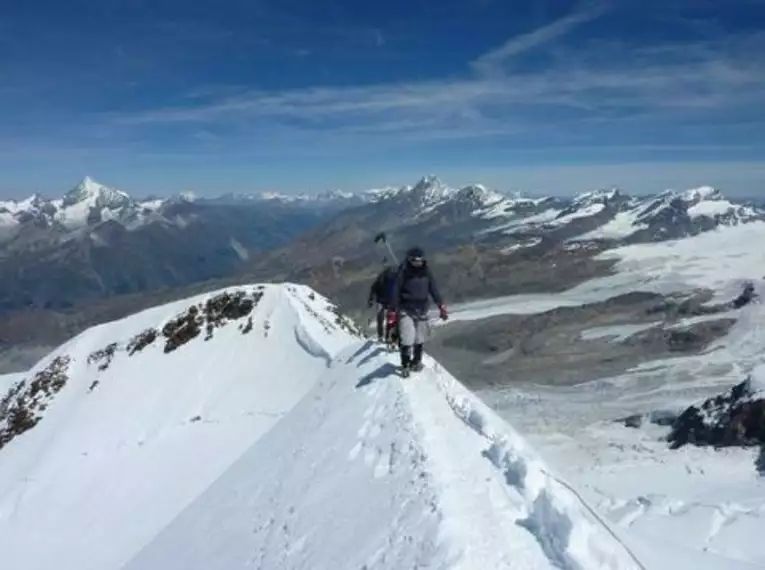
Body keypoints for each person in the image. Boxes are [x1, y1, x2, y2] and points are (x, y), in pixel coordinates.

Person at [389, 246, 448, 373]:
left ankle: (417, 361)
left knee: (420, 337)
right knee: (407, 336)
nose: (418, 263)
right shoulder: (403, 272)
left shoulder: (426, 272)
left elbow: (433, 289)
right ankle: (405, 363)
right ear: (410, 260)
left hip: (422, 308)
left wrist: (441, 305)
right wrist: (393, 309)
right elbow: (395, 291)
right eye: (415, 261)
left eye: (420, 261)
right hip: (406, 308)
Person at [368, 264, 398, 343]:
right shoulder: (395, 280)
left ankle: (381, 336)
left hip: (381, 301)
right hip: (391, 302)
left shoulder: (381, 279)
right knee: (390, 320)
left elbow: (373, 289)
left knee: (381, 319)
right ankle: (388, 337)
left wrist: (371, 300)